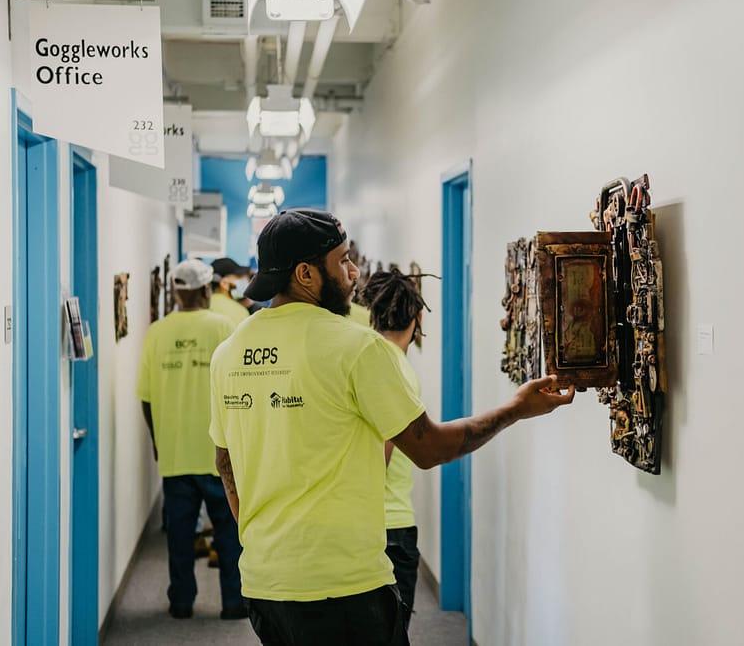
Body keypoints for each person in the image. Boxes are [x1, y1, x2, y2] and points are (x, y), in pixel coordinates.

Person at [209, 209, 575, 646]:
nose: (353, 272)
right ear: (305, 274)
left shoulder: (228, 353)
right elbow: (429, 448)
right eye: (343, 260)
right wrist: (516, 408)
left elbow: (225, 462)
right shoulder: (357, 347)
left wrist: (264, 542)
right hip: (344, 589)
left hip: (264, 585)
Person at [137, 259, 247, 621]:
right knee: (228, 530)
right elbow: (239, 390)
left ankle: (181, 602)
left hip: (175, 452)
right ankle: (234, 602)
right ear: (204, 290)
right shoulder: (225, 327)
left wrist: (157, 440)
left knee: (180, 535)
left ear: (176, 291)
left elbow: (146, 397)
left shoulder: (156, 332)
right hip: (219, 452)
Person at [362, 268, 431, 632]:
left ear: (372, 314)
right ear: (418, 317)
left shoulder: (369, 359)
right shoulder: (395, 369)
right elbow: (381, 457)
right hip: (388, 525)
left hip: (368, 522)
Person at [209, 257, 252, 327]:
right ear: (224, 283)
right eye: (239, 277)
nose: (246, 280)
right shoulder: (239, 311)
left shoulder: (203, 306)